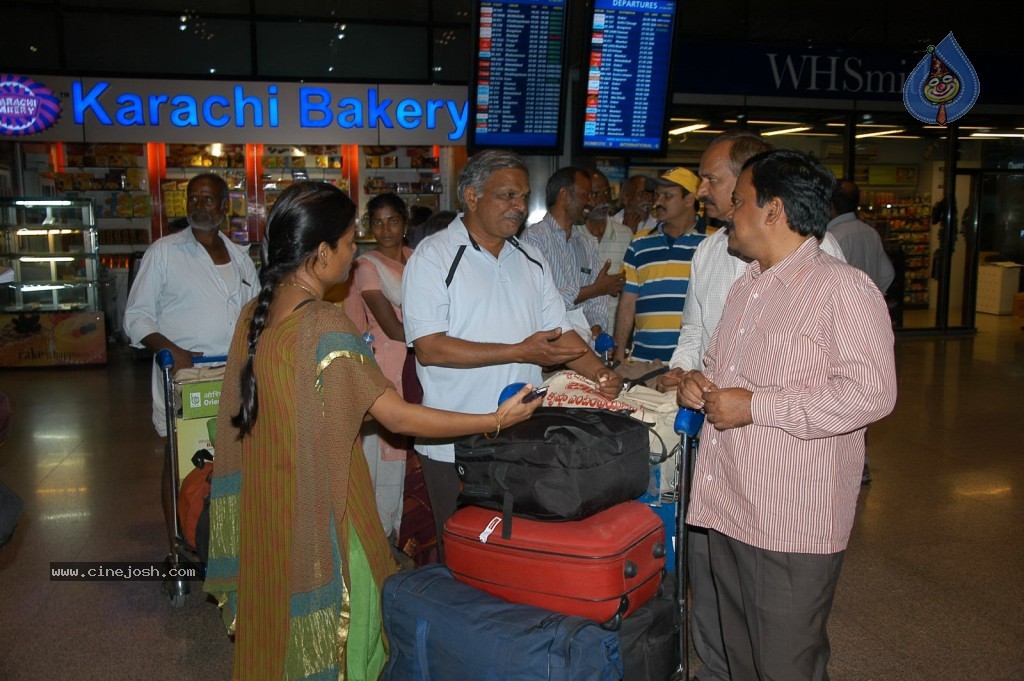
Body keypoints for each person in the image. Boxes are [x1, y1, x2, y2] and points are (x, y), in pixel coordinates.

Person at [203, 181, 541, 680]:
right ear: (321, 254)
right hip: (325, 511)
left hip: (269, 504)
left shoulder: (254, 314)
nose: (354, 255)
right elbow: (399, 417)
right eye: (347, 244)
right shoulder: (323, 324)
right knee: (349, 631)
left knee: (279, 620)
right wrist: (493, 420)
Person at [677, 150, 897, 681]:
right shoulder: (745, 288)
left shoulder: (842, 288)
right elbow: (723, 370)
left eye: (741, 200)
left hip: (789, 521)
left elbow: (873, 394)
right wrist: (698, 384)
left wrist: (757, 407)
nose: (729, 210)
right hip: (728, 505)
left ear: (773, 210)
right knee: (739, 659)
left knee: (784, 665)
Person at [656, 130, 847, 681]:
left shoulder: (825, 271)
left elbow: (862, 391)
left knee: (779, 626)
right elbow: (697, 333)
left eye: (716, 181)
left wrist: (758, 406)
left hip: (780, 473)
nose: (703, 192)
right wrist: (688, 373)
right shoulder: (714, 253)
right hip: (719, 459)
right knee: (718, 601)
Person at [402, 149, 623, 554]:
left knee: (511, 552)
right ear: (471, 197)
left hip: (521, 435)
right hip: (455, 437)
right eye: (507, 196)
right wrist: (518, 350)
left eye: (523, 197)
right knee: (461, 550)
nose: (519, 207)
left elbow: (558, 335)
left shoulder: (530, 258)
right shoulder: (433, 258)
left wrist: (599, 374)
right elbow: (431, 348)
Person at [125, 172, 259, 438]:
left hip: (234, 376)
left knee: (233, 458)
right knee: (181, 458)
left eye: (207, 199)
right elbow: (136, 316)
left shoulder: (241, 258)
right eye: (193, 198)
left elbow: (255, 314)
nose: (198, 205)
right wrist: (171, 351)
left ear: (225, 206)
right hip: (185, 378)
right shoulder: (163, 252)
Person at [343, 192, 415, 542]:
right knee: (383, 450)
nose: (385, 229)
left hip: (417, 362)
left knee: (408, 450)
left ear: (406, 223)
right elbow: (390, 325)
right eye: (377, 221)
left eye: (393, 221)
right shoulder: (365, 266)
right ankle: (379, 534)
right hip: (386, 361)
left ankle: (407, 530)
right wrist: (437, 337)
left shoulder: (418, 260)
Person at [613, 166, 706, 363]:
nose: (658, 202)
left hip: (694, 364)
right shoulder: (639, 243)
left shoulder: (712, 243)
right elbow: (628, 303)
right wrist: (620, 350)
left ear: (689, 200)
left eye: (667, 196)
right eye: (657, 195)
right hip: (643, 361)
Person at [522, 166, 624, 341]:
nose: (591, 203)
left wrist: (596, 326)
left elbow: (598, 299)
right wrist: (594, 289)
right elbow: (538, 300)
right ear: (564, 195)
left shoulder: (586, 243)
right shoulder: (533, 240)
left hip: (584, 348)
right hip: (548, 350)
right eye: (586, 195)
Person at [583, 169, 633, 337]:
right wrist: (599, 288)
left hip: (615, 334)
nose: (604, 201)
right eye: (595, 194)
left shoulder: (625, 235)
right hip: (579, 335)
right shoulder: (571, 236)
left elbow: (632, 292)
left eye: (607, 193)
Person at [827, 179, 895, 294]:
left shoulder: (831, 238)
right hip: (869, 307)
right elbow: (888, 273)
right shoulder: (871, 232)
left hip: (843, 308)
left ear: (831, 205)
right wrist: (872, 296)